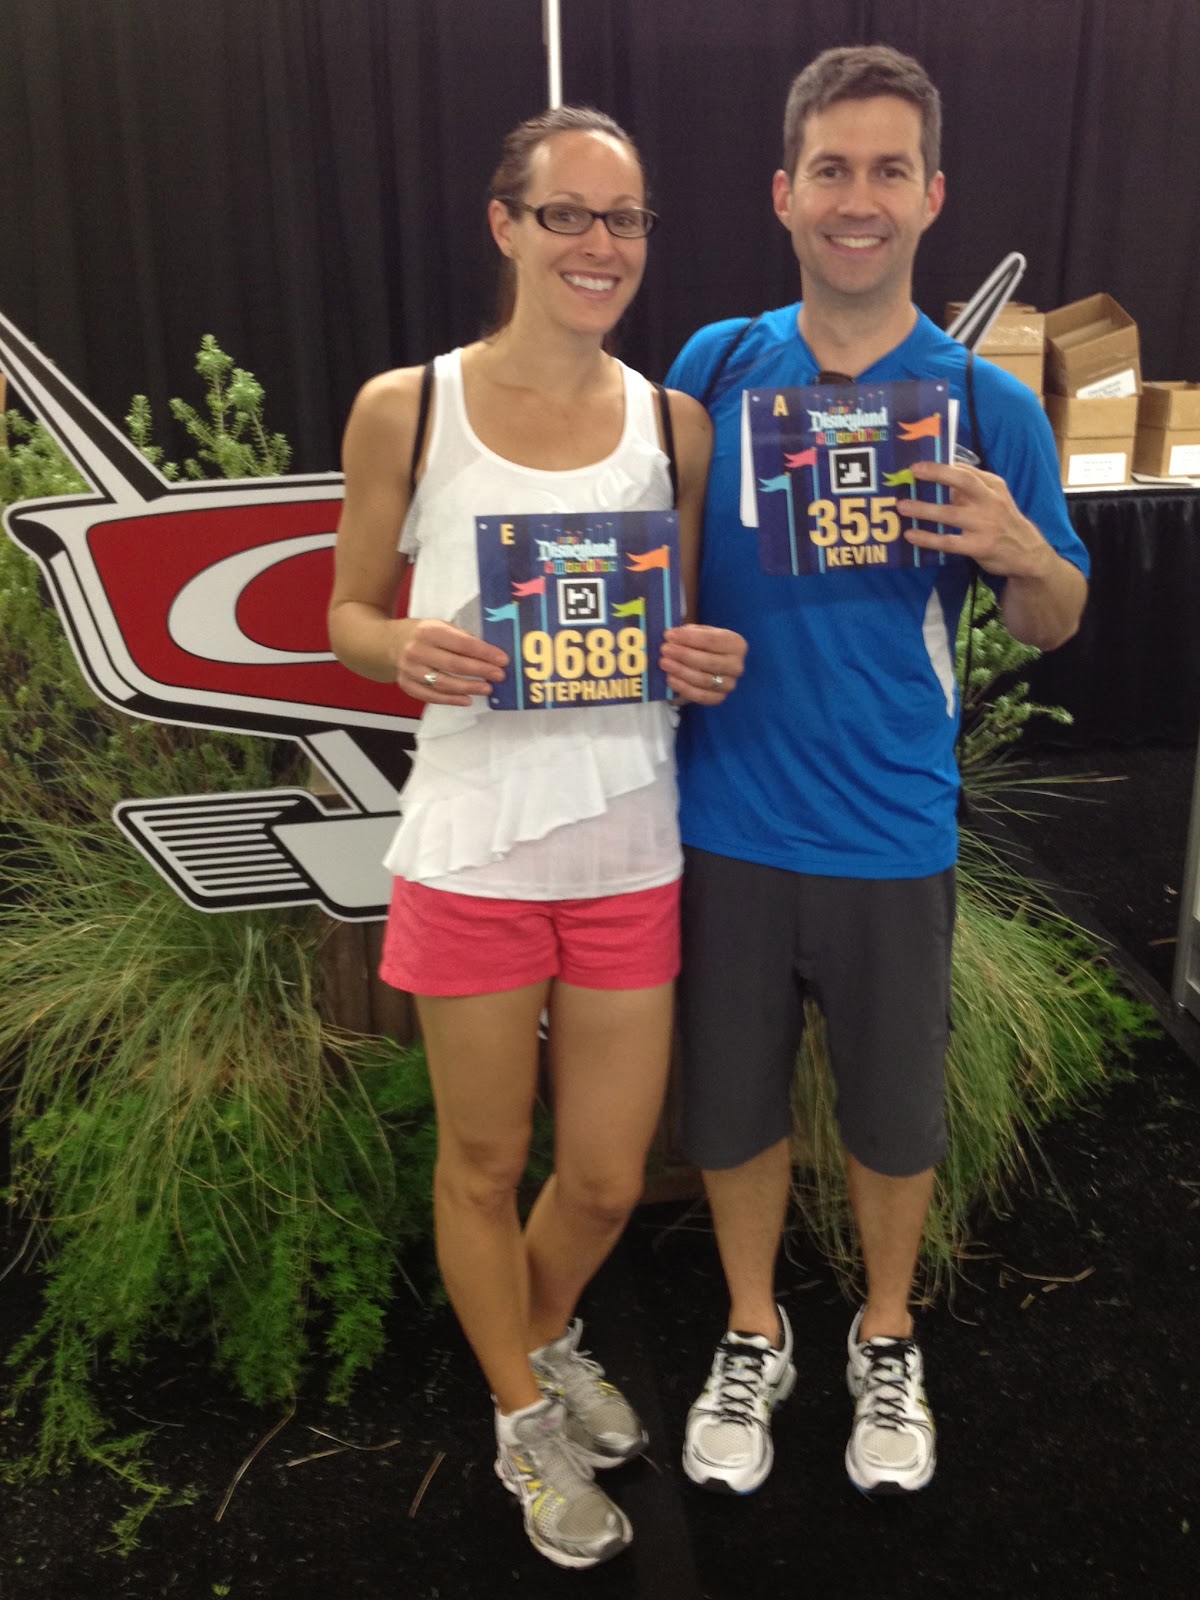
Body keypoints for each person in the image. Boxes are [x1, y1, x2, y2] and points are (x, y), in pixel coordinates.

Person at [664, 45, 1089, 1499]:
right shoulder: (715, 368)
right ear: (784, 193)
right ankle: (752, 1328)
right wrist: (668, 645)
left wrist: (1018, 550)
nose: (860, 199)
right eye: (832, 170)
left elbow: (1055, 614)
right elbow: (654, 568)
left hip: (892, 828)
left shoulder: (986, 404)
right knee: (730, 1111)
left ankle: (887, 1336)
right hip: (723, 818)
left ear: (932, 195)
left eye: (888, 171)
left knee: (896, 1119)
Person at [327, 106, 745, 1569]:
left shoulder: (674, 425)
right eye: (568, 213)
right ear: (506, 225)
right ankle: (518, 1415)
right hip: (474, 847)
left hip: (629, 843)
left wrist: (701, 660)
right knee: (485, 1160)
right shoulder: (408, 407)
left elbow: (675, 629)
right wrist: (401, 647)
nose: (599, 244)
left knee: (611, 1175)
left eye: (623, 219)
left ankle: (543, 1333)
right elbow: (346, 613)